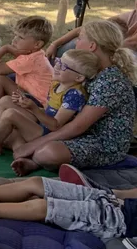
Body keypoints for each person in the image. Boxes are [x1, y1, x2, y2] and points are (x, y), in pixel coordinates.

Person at [11, 20, 137, 175]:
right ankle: (31, 156)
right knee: (13, 116)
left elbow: (78, 126)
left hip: (102, 144)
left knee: (47, 152)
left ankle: (34, 159)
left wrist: (34, 144)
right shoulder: (92, 69)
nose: (76, 43)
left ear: (92, 46)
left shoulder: (111, 81)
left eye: (80, 38)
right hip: (77, 131)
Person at [0, 49, 99, 156]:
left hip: (47, 135)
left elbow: (56, 126)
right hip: (42, 123)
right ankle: (1, 138)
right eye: (59, 61)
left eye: (63, 67)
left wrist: (33, 108)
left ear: (79, 78)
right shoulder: (57, 83)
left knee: (10, 114)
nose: (56, 66)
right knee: (6, 101)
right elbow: (49, 111)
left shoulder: (74, 95)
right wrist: (25, 103)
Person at [0, 166, 137, 242]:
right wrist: (113, 193)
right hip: (112, 199)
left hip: (117, 221)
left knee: (42, 206)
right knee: (35, 183)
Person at [47, 0, 137, 58]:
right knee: (71, 46)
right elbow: (82, 29)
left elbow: (128, 44)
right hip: (104, 46)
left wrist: (96, 46)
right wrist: (54, 44)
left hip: (120, 52)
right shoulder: (131, 15)